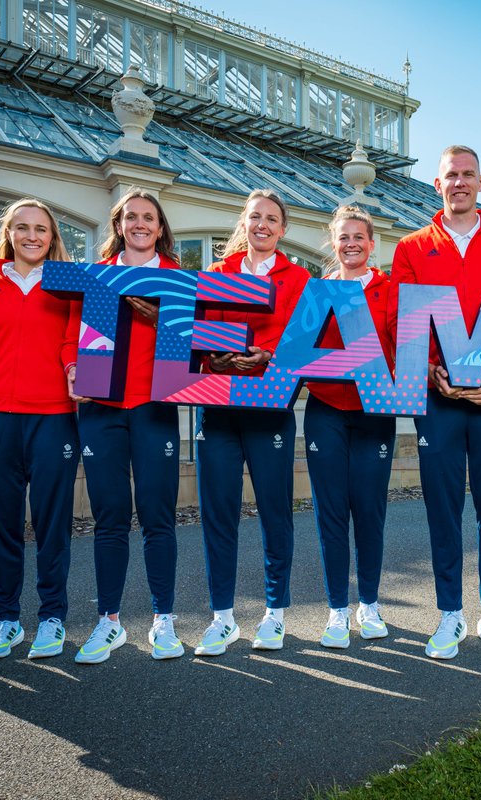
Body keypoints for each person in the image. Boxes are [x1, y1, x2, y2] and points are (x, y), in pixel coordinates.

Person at [389, 145, 481, 660]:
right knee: (443, 511)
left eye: (468, 175)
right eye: (451, 175)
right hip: (438, 400)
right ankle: (449, 613)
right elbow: (400, 321)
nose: (460, 183)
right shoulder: (411, 246)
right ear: (437, 184)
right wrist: (435, 372)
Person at [194, 189, 310, 655]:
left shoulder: (299, 278)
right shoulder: (216, 275)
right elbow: (194, 333)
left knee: (275, 513)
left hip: (271, 409)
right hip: (219, 409)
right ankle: (222, 618)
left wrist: (272, 355)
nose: (262, 225)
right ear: (244, 223)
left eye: (272, 219)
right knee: (218, 515)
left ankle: (274, 613)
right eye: (255, 217)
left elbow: (304, 340)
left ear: (282, 229)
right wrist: (213, 353)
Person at [73, 190, 183, 664]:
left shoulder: (178, 278)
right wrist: (70, 365)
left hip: (156, 407)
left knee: (158, 518)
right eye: (131, 217)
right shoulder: (97, 276)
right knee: (110, 518)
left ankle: (164, 620)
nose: (140, 224)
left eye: (149, 218)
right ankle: (109, 622)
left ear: (160, 228)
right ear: (119, 225)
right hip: (101, 408)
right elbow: (68, 333)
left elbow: (194, 344)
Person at [0, 199, 79, 660]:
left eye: (41, 229)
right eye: (22, 227)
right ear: (8, 232)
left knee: (53, 525)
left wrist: (75, 366)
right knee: (0, 527)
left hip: (54, 416)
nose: (32, 236)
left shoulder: (68, 283)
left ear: (52, 236)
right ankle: (5, 620)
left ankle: (52, 617)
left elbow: (76, 337)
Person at [304, 206, 396, 648]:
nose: (352, 244)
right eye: (344, 237)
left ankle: (371, 604)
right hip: (325, 410)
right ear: (333, 242)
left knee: (370, 510)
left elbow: (403, 348)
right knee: (332, 513)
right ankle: (337, 609)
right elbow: (299, 352)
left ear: (371, 243)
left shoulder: (391, 290)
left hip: (374, 414)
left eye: (359, 236)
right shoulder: (318, 292)